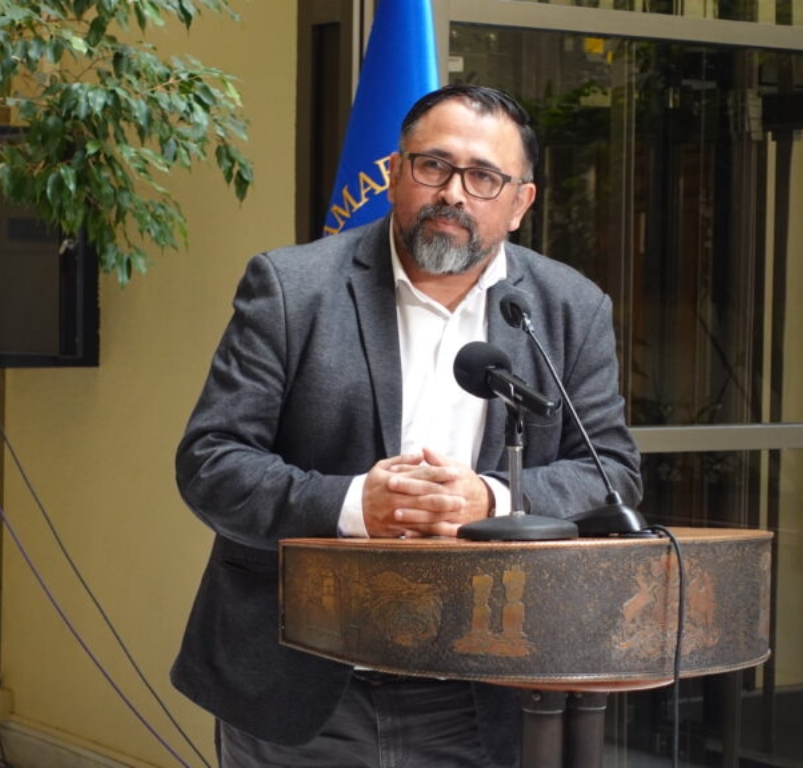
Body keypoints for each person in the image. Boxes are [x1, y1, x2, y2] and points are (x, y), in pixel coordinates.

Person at [172, 84, 642, 768]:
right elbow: (211, 462)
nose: (453, 192)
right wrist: (352, 504)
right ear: (395, 173)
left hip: (483, 688)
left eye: (484, 177)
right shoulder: (291, 288)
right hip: (301, 677)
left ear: (520, 204)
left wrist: (493, 503)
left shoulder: (570, 309)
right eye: (433, 166)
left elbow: (610, 473)